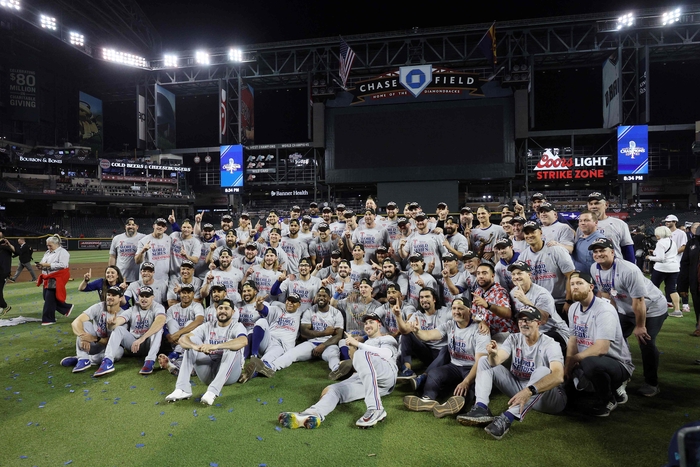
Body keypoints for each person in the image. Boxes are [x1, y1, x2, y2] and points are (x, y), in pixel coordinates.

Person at [458, 306, 567, 440]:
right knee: (484, 361)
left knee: (543, 371)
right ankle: (481, 408)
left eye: (528, 320)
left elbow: (558, 376)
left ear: (538, 323)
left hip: (549, 400)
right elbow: (496, 361)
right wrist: (493, 354)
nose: (523, 323)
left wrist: (529, 391)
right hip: (520, 391)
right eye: (520, 320)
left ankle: (507, 418)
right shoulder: (513, 338)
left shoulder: (550, 344)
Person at [278, 313, 398, 429]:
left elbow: (386, 354)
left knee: (361, 354)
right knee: (333, 389)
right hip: (371, 383)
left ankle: (376, 408)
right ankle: (312, 413)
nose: (367, 325)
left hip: (386, 374)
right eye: (366, 323)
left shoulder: (387, 338)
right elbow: (360, 364)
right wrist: (353, 348)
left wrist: (357, 344)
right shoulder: (365, 344)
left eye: (371, 322)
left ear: (379, 325)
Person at [591, 237, 667, 397]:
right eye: (595, 251)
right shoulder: (594, 268)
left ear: (612, 252)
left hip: (651, 308)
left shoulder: (628, 270)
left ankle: (652, 383)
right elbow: (606, 293)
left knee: (646, 341)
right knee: (610, 338)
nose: (598, 254)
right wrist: (609, 318)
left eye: (602, 250)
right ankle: (622, 373)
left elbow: (639, 301)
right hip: (625, 308)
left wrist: (640, 326)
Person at [403, 297, 489, 419]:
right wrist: (417, 331)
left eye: (460, 309)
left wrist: (466, 382)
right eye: (454, 308)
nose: (456, 312)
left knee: (469, 387)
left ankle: (451, 405)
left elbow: (480, 361)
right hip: (454, 366)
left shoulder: (480, 330)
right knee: (433, 374)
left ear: (469, 311)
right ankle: (428, 399)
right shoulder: (450, 325)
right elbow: (429, 335)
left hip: (472, 367)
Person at [565, 271, 634, 417]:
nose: (575, 287)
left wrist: (575, 359)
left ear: (591, 287)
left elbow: (602, 348)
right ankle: (604, 386)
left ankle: (608, 399)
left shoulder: (604, 310)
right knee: (569, 387)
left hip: (616, 362)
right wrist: (568, 364)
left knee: (590, 363)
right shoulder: (573, 308)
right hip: (588, 358)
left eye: (580, 283)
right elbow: (573, 339)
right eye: (572, 284)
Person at [165, 298, 248, 406]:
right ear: (216, 311)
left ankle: (212, 392)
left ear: (233, 312)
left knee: (232, 345)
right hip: (208, 373)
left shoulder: (237, 326)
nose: (223, 311)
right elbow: (182, 339)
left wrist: (215, 346)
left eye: (226, 308)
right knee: (192, 341)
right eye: (220, 308)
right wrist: (194, 346)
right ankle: (182, 389)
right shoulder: (208, 325)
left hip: (230, 375)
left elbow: (243, 341)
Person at [93, 286, 166, 376]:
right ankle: (107, 361)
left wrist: (142, 338)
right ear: (138, 297)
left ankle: (150, 361)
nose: (144, 299)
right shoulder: (132, 309)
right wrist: (112, 324)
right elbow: (119, 320)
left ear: (152, 298)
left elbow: (161, 321)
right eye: (141, 296)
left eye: (147, 296)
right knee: (118, 329)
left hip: (148, 344)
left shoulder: (158, 307)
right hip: (133, 346)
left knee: (158, 329)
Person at [60, 285, 124, 372]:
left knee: (119, 352)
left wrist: (94, 338)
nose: (110, 297)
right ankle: (83, 359)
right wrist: (83, 336)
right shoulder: (99, 307)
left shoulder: (123, 315)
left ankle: (85, 359)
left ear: (120, 298)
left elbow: (114, 341)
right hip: (92, 344)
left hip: (107, 346)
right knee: (84, 324)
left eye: (114, 295)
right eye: (109, 295)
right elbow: (76, 322)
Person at [36, 234, 73, 325]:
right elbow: (43, 262)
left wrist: (48, 265)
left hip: (56, 277)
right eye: (47, 245)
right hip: (47, 277)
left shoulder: (63, 252)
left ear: (56, 244)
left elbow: (63, 265)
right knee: (46, 297)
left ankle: (48, 319)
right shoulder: (47, 252)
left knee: (49, 298)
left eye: (50, 245)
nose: (48, 247)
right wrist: (40, 266)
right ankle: (66, 308)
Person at [646, 225, 681, 317]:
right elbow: (670, 253)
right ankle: (677, 310)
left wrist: (649, 257)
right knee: (672, 289)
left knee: (653, 288)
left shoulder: (660, 243)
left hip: (662, 268)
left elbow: (660, 258)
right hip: (674, 268)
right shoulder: (672, 241)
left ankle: (653, 308)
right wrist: (654, 252)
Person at [678, 222, 700, 336]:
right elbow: (685, 265)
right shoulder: (691, 243)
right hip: (695, 281)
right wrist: (683, 286)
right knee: (697, 304)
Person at [135, 218, 172, 282]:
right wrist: (143, 251)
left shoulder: (169, 239)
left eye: (163, 226)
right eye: (158, 225)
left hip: (164, 279)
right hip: (148, 279)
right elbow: (137, 261)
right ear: (154, 226)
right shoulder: (144, 241)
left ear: (165, 228)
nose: (160, 227)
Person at [665, 214, 689, 313]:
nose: (667, 223)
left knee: (681, 284)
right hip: (667, 262)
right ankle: (669, 302)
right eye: (666, 221)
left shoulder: (681, 233)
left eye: (669, 221)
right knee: (669, 284)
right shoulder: (665, 232)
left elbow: (684, 246)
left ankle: (685, 304)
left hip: (679, 261)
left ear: (675, 222)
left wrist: (672, 253)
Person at [108, 218, 145, 283]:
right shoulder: (117, 238)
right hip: (121, 276)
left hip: (138, 277)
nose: (131, 226)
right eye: (129, 224)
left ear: (137, 227)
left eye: (133, 225)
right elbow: (112, 256)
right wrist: (111, 272)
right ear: (125, 227)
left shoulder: (144, 238)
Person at [0, 230, 15, 315]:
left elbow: (16, 251)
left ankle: (5, 306)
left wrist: (9, 244)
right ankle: (2, 306)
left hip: (3, 271)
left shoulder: (7, 243)